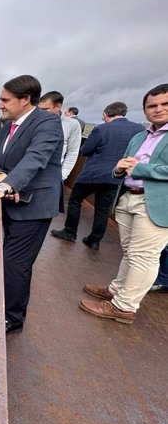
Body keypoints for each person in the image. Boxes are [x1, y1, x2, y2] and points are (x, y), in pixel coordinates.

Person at [0, 75, 64, 334]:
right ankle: (11, 308)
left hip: (35, 206)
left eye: (5, 100)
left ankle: (11, 318)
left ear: (26, 99)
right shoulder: (7, 126)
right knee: (14, 261)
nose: (0, 105)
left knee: (15, 263)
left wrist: (3, 188)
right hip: (12, 202)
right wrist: (4, 178)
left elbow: (35, 159)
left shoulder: (48, 123)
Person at [81, 83, 168, 323]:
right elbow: (125, 163)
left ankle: (124, 306)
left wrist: (139, 168)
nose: (158, 109)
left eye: (164, 104)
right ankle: (117, 290)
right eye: (152, 105)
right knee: (130, 251)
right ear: (144, 110)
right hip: (130, 196)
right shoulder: (140, 135)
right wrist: (119, 170)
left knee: (145, 256)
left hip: (157, 204)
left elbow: (143, 167)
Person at [50, 101, 144, 250]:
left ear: (106, 114)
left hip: (92, 175)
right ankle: (94, 241)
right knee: (102, 209)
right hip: (116, 177)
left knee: (75, 201)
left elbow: (86, 149)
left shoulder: (101, 129)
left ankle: (70, 231)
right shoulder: (139, 130)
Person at [39, 91, 82, 181]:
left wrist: (62, 176)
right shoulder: (37, 121)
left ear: (58, 106)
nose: (41, 113)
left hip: (52, 175)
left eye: (45, 109)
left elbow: (72, 152)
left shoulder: (72, 124)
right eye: (40, 109)